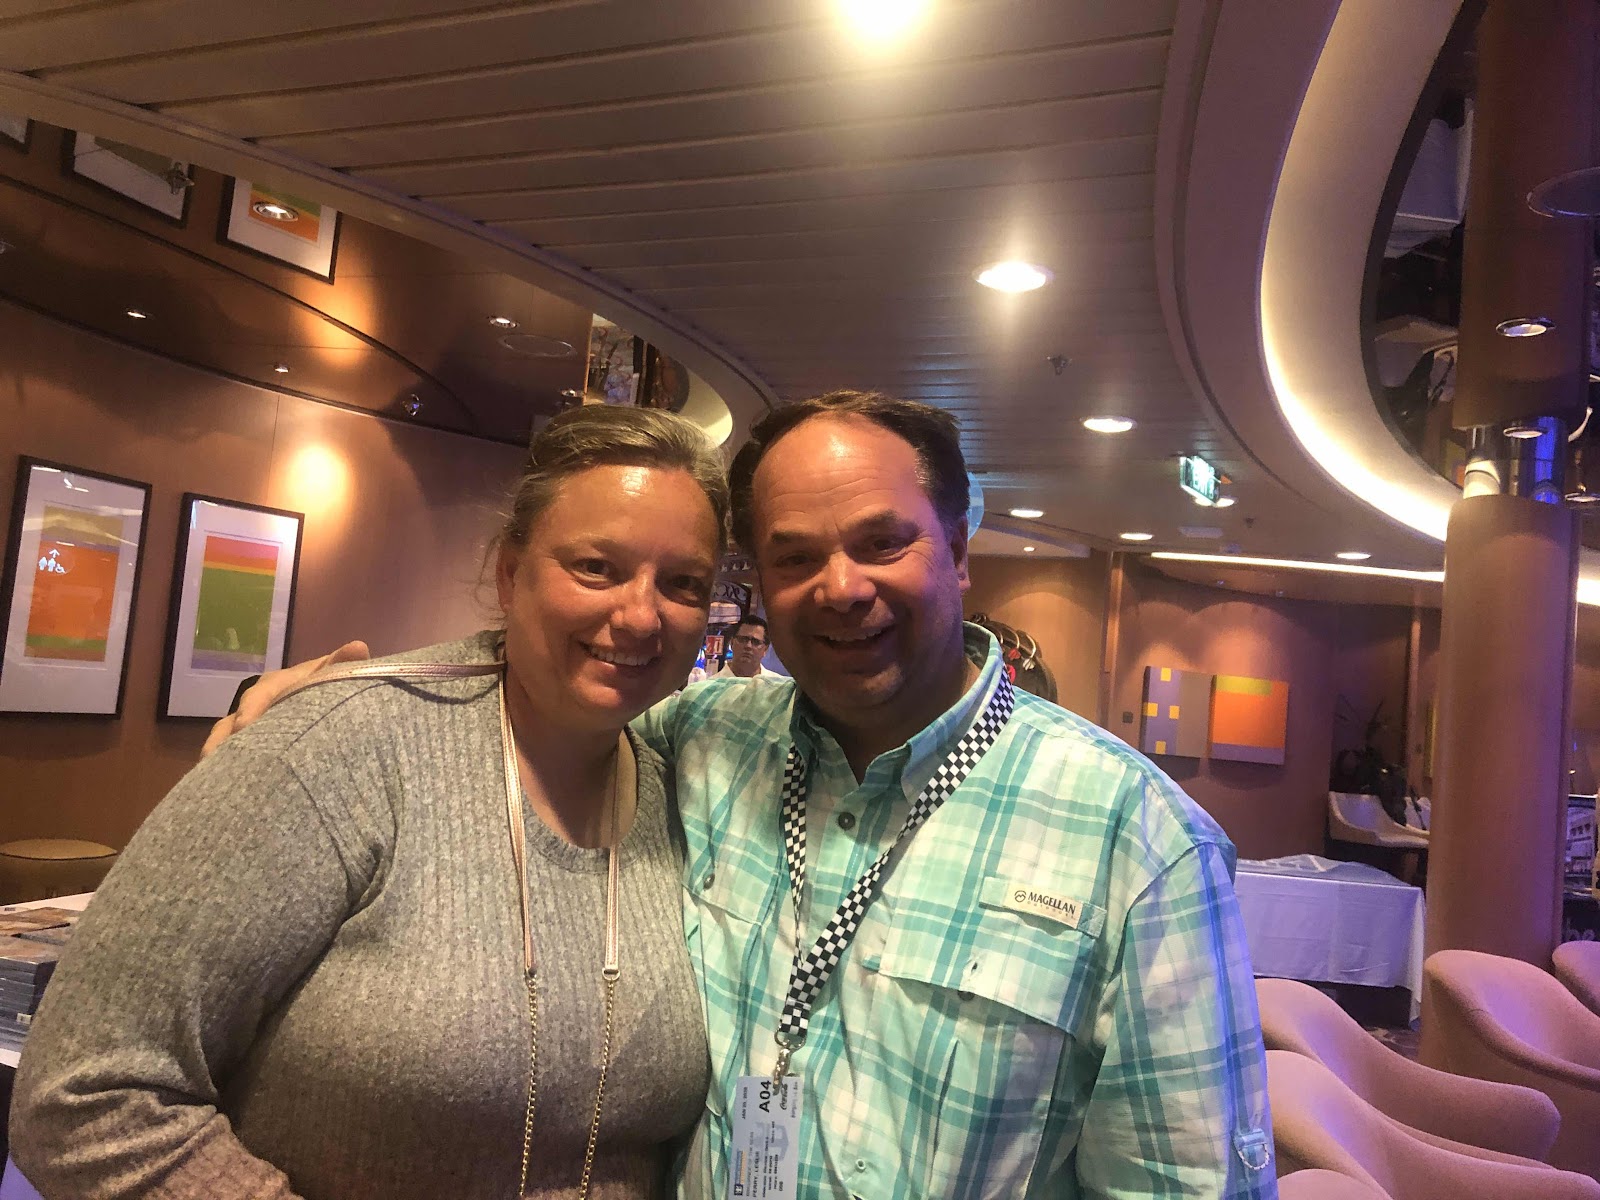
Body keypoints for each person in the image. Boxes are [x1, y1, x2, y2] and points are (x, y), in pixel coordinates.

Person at [194, 391, 1276, 1199]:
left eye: (882, 543)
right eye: (794, 558)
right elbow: (557, 669)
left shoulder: (1141, 841)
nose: (840, 588)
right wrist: (339, 702)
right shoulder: (705, 738)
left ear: (956, 551)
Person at [9, 405, 728, 1200]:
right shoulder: (335, 749)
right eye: (596, 567)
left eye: (683, 584)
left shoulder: (686, 799)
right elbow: (82, 1093)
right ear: (509, 573)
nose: (640, 613)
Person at [714, 615, 783, 681]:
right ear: (732, 643)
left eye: (756, 642)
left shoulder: (778, 685)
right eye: (743, 639)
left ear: (765, 649)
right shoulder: (711, 685)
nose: (748, 646)